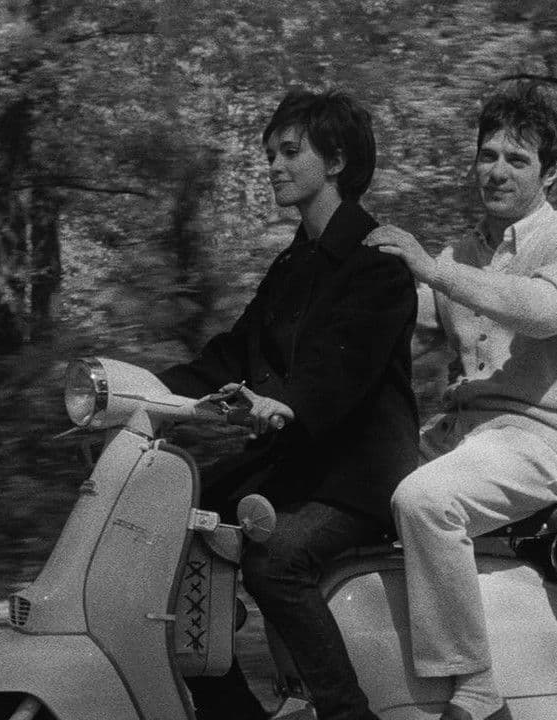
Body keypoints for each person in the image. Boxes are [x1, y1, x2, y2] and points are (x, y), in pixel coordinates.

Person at [158, 89, 419, 720]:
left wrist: (284, 405)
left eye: (290, 151)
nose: (273, 165)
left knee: (275, 560)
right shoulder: (292, 263)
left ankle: (347, 713)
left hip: (357, 476)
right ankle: (229, 710)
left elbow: (343, 373)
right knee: (169, 520)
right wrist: (146, 390)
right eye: (270, 153)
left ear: (336, 161)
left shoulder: (378, 260)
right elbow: (234, 352)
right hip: (297, 463)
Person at [364, 85, 557, 720]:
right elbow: (400, 328)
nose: (496, 171)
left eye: (517, 159)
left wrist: (433, 270)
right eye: (487, 155)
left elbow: (544, 310)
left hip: (541, 436)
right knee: (333, 490)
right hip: (460, 433)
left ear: (550, 172)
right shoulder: (463, 251)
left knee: (425, 500)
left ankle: (477, 688)